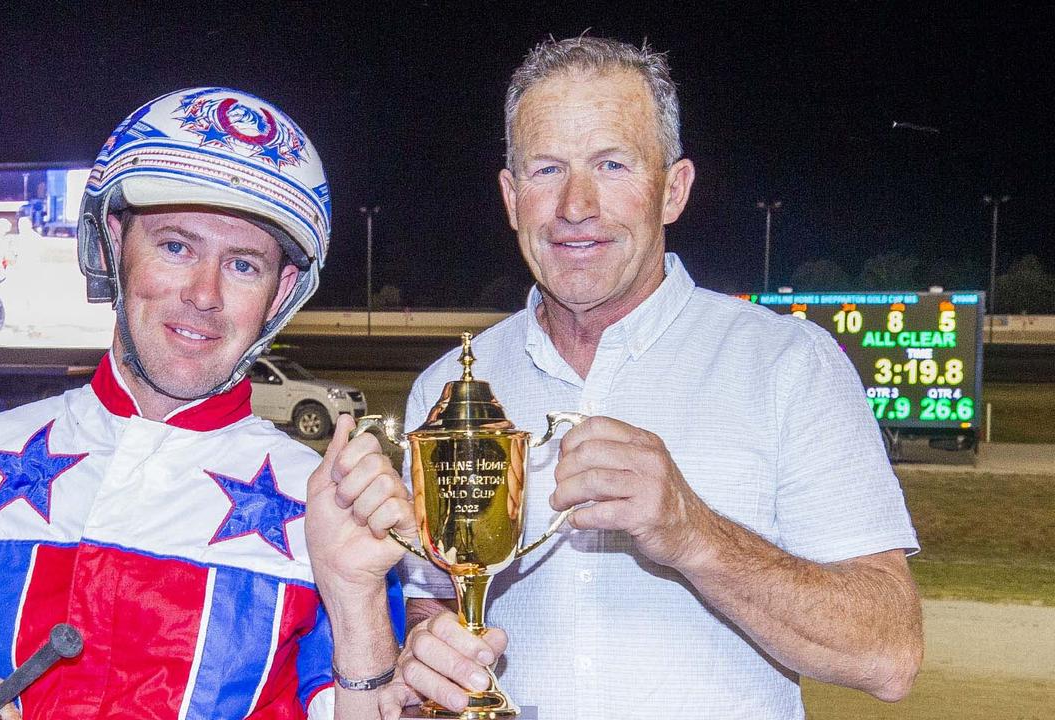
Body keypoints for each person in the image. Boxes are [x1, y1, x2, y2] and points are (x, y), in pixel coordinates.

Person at [0, 87, 413, 720]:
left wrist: (356, 603)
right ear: (114, 242)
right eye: (176, 247)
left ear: (281, 292)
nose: (204, 294)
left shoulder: (329, 504)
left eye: (243, 265)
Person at [390, 37, 924, 719]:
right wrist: (426, 654)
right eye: (546, 169)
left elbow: (889, 654)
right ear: (510, 194)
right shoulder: (446, 392)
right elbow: (434, 608)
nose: (576, 205)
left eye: (612, 164)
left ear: (673, 189)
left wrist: (693, 531)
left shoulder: (791, 365)